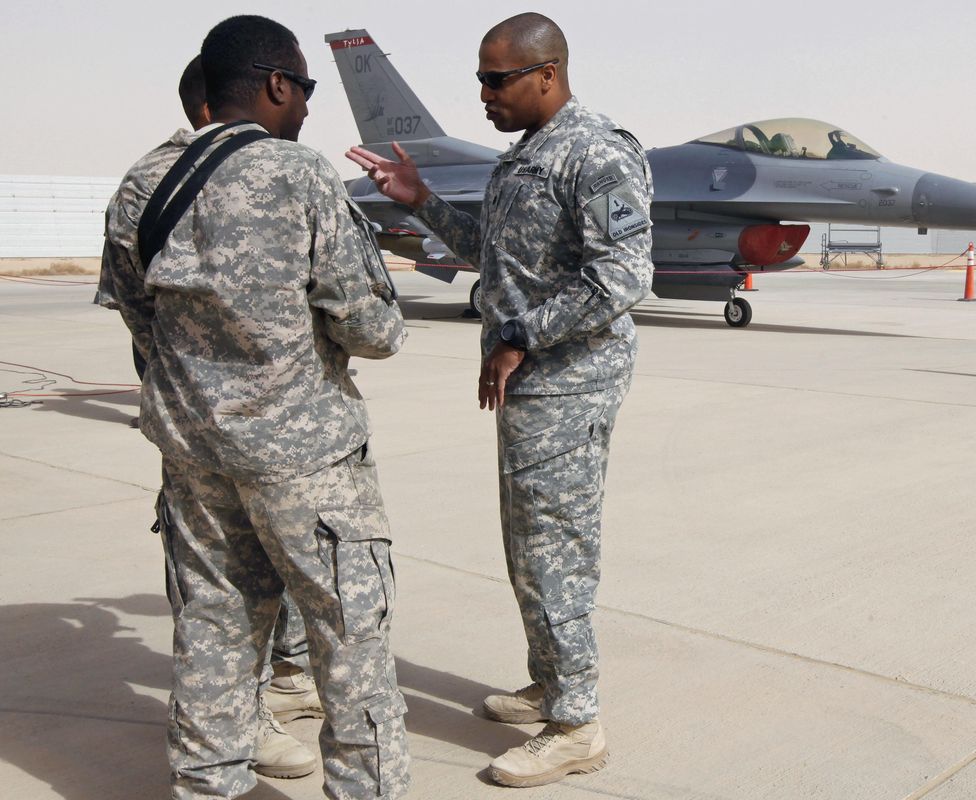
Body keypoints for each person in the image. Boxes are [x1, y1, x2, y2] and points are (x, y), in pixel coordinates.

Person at [103, 15, 411, 798]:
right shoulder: (297, 174)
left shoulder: (145, 180)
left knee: (211, 633)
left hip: (192, 458)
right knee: (351, 646)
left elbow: (142, 323)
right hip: (305, 465)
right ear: (276, 83)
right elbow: (373, 329)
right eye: (304, 88)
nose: (307, 105)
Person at [348, 11, 652, 788]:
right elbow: (496, 253)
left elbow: (624, 276)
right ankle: (553, 681)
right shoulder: (524, 159)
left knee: (556, 552)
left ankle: (578, 722)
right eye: (480, 78)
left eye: (496, 78)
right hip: (531, 380)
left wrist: (521, 333)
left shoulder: (596, 152)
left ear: (546, 73)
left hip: (566, 380)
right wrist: (418, 200)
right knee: (529, 548)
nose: (483, 94)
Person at [100, 52, 325, 782]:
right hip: (262, 430)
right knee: (232, 588)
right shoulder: (240, 173)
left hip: (194, 426)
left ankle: (268, 694)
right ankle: (246, 716)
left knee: (233, 583)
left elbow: (138, 315)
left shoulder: (144, 180)